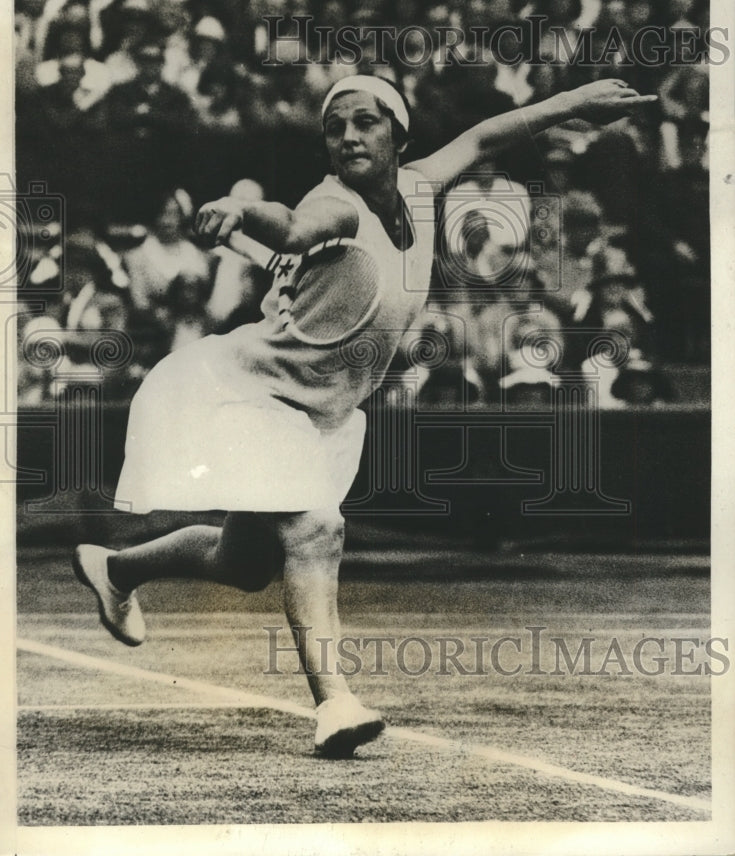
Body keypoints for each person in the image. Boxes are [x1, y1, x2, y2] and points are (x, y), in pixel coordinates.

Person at [74, 73, 656, 757]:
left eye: (365, 122)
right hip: (249, 395)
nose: (348, 136)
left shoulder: (421, 184)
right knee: (315, 527)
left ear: (398, 136)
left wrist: (576, 103)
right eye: (335, 126)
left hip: (318, 412)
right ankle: (335, 703)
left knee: (243, 562)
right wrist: (240, 211)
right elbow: (292, 224)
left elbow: (487, 135)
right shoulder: (335, 205)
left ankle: (115, 570)